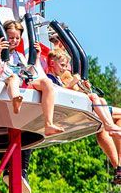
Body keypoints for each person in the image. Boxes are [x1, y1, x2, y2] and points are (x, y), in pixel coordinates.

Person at [48, 50, 121, 184]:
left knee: (103, 107)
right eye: (63, 65)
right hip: (72, 107)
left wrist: (84, 87)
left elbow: (71, 90)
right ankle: (118, 162)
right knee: (105, 110)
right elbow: (60, 91)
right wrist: (74, 84)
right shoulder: (54, 76)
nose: (66, 68)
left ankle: (118, 165)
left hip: (84, 105)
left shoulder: (62, 74)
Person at [0, 20, 64, 135]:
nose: (14, 41)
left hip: (23, 80)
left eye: (17, 38)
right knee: (14, 78)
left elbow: (30, 73)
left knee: (47, 82)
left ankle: (49, 124)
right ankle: (16, 99)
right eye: (11, 38)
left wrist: (36, 57)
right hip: (7, 80)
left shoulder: (19, 56)